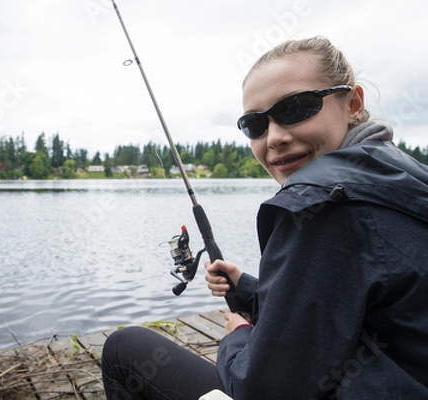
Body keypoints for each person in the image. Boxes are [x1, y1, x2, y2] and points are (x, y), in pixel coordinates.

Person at [101, 36, 428, 399]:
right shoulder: (399, 174)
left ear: (352, 103)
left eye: (296, 108)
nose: (273, 137)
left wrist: (237, 338)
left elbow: (260, 389)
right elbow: (341, 306)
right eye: (254, 125)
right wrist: (248, 289)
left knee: (123, 349)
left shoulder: (323, 204)